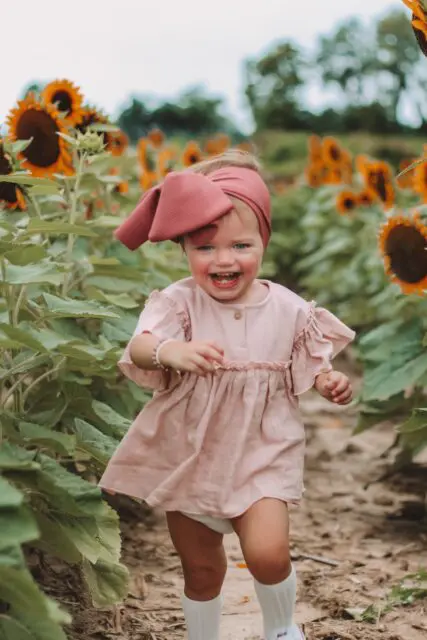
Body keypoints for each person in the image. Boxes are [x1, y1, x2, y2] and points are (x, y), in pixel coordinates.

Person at [99, 150, 355, 640]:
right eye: (205, 248)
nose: (223, 260)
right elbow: (140, 345)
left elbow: (312, 360)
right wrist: (171, 351)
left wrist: (327, 381)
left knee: (268, 554)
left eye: (241, 245)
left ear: (264, 242)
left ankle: (281, 629)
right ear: (183, 250)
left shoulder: (286, 306)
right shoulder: (179, 303)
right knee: (201, 571)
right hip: (192, 453)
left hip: (263, 450)